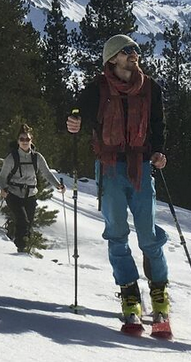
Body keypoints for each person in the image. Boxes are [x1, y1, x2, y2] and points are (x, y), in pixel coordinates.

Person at [66, 34, 170, 327]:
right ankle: (129, 294)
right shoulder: (98, 89)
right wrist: (73, 122)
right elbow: (78, 114)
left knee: (148, 234)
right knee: (117, 233)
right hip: (110, 168)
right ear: (113, 59)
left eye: (135, 49)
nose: (134, 53)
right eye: (127, 51)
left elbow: (159, 125)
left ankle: (159, 293)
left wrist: (160, 151)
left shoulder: (151, 88)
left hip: (140, 165)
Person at [0, 124, 65, 254]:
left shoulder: (37, 157)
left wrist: (58, 185)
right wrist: (3, 189)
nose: (25, 142)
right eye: (22, 139)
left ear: (31, 140)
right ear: (18, 141)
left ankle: (25, 247)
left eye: (27, 139)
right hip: (13, 193)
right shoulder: (11, 158)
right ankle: (21, 248)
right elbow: (2, 176)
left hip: (30, 194)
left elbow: (47, 173)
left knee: (28, 223)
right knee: (22, 220)